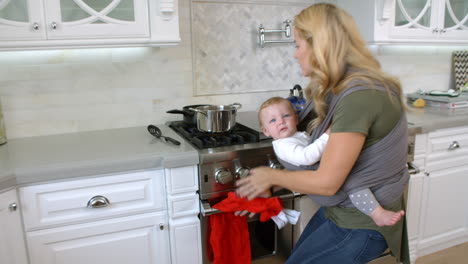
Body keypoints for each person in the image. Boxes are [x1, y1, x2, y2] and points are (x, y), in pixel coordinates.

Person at [236, 3, 410, 264]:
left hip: (362, 222)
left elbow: (328, 183)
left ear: (319, 47)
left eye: (297, 45)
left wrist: (271, 176)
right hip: (340, 212)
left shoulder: (359, 96)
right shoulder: (343, 86)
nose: (295, 55)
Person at [259, 96, 404, 227]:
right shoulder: (283, 145)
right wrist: (328, 134)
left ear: (296, 119)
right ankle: (377, 214)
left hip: (324, 171)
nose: (281, 122)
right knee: (354, 184)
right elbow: (307, 157)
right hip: (318, 177)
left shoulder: (295, 135)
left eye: (286, 115)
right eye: (273, 120)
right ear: (265, 131)